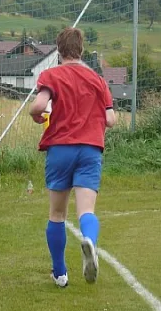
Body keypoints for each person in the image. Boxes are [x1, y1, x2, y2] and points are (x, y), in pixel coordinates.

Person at [29, 27, 116, 288]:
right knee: (86, 210)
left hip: (61, 149)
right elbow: (110, 119)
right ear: (81, 48)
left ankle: (60, 273)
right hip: (90, 148)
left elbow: (37, 106)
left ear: (59, 50)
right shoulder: (98, 80)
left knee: (57, 213)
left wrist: (37, 116)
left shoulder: (51, 75)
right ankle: (89, 239)